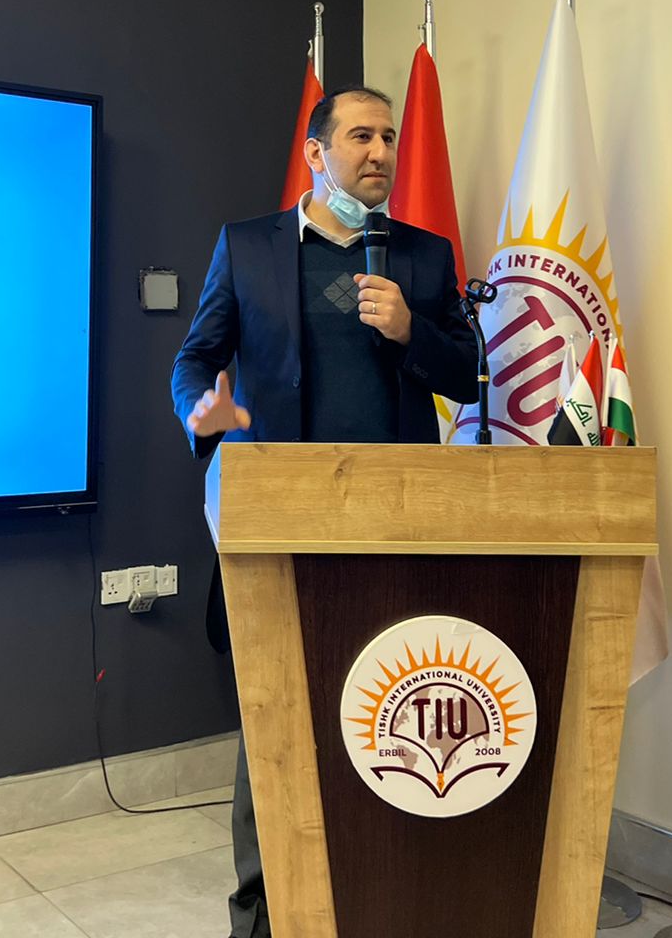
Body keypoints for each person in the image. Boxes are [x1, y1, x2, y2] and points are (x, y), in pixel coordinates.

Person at [170, 85, 479, 938]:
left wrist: (414, 331)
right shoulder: (248, 247)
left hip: (398, 529)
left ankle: (379, 900)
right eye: (360, 136)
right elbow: (195, 359)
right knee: (273, 728)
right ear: (316, 152)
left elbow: (467, 373)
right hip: (281, 524)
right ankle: (261, 918)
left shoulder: (422, 256)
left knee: (390, 715)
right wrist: (200, 413)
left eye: (390, 137)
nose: (380, 152)